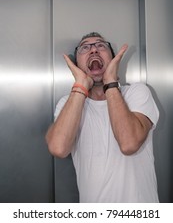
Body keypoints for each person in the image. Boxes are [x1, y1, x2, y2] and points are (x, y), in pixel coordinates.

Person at [46, 32, 159, 203]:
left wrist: (110, 83)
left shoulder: (137, 92)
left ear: (113, 60)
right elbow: (58, 148)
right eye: (85, 47)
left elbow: (129, 144)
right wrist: (81, 85)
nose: (93, 50)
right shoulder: (68, 104)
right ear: (77, 64)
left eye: (100, 45)